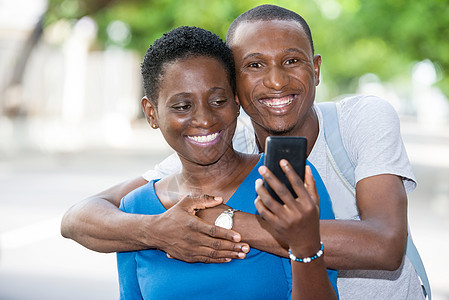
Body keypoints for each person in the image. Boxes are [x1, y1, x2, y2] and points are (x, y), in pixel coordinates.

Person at [61, 4, 425, 299]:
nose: (276, 80)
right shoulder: (217, 142)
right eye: (254, 65)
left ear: (316, 69)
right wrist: (155, 229)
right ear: (235, 85)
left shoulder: (358, 120)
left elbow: (386, 245)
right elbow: (81, 217)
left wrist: (222, 219)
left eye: (292, 61)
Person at [116, 25, 337, 299]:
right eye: (183, 106)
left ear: (235, 102)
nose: (204, 119)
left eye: (218, 100)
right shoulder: (134, 209)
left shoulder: (286, 181)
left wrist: (304, 245)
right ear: (151, 113)